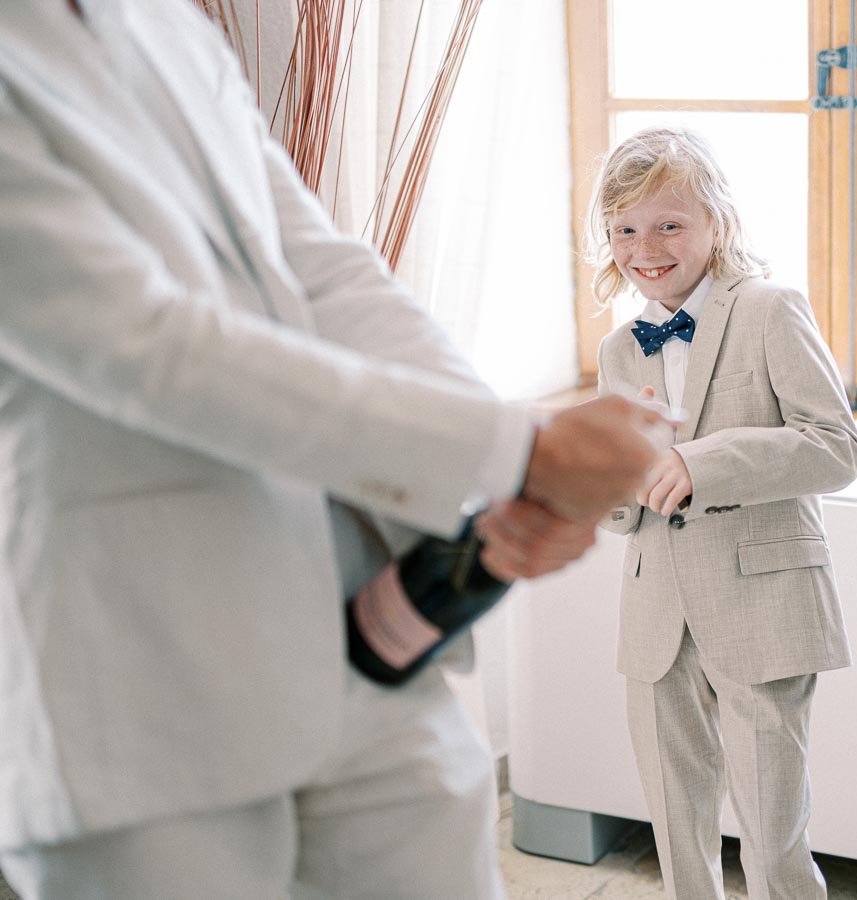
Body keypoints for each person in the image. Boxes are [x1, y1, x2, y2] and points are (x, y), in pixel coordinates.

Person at [0, 1, 667, 897]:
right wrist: (515, 451)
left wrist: (508, 477)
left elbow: (319, 263)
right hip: (131, 654)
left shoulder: (163, 20)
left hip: (351, 617)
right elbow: (144, 345)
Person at [587, 125, 857, 900]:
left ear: (718, 223)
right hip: (655, 618)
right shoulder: (619, 350)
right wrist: (602, 470)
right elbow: (622, 504)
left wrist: (697, 464)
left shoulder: (772, 310)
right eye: (626, 230)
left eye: (669, 224)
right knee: (678, 842)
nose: (647, 247)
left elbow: (834, 446)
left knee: (773, 843)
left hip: (763, 606)